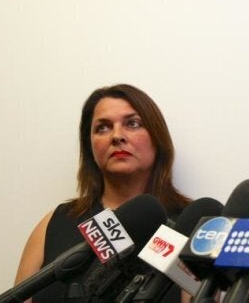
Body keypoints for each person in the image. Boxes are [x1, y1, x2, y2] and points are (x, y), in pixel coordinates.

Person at [14, 84, 192, 302]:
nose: (117, 136)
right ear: (90, 147)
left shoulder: (191, 225)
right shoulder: (55, 222)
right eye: (103, 128)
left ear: (157, 138)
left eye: (133, 124)